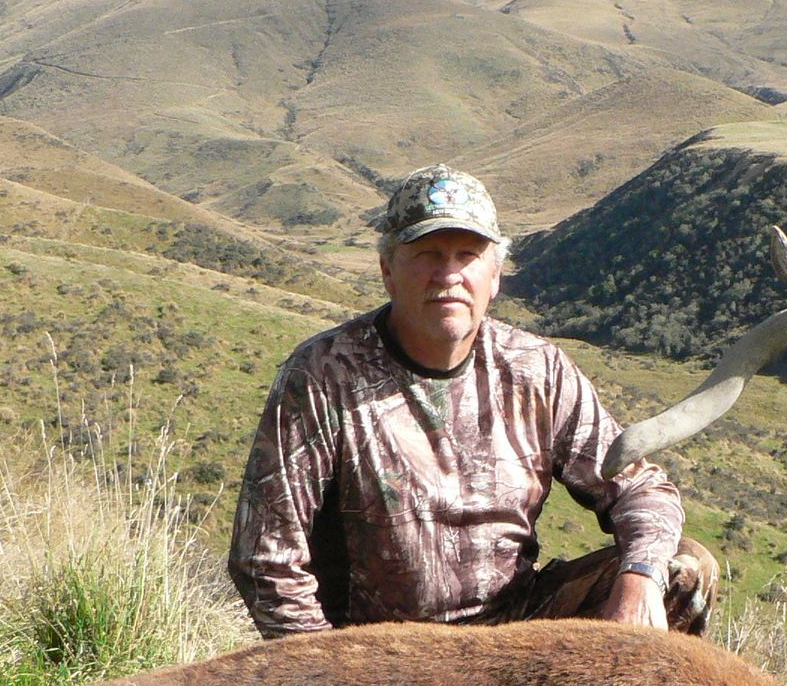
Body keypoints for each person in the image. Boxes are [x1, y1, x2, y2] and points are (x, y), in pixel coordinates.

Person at [228, 164, 716, 639]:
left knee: (684, 570)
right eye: (427, 254)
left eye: (468, 255)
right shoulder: (321, 375)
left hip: (512, 636)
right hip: (376, 653)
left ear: (495, 275)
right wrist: (325, 680)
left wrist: (640, 576)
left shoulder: (537, 370)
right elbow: (268, 560)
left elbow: (640, 489)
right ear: (387, 270)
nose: (449, 274)